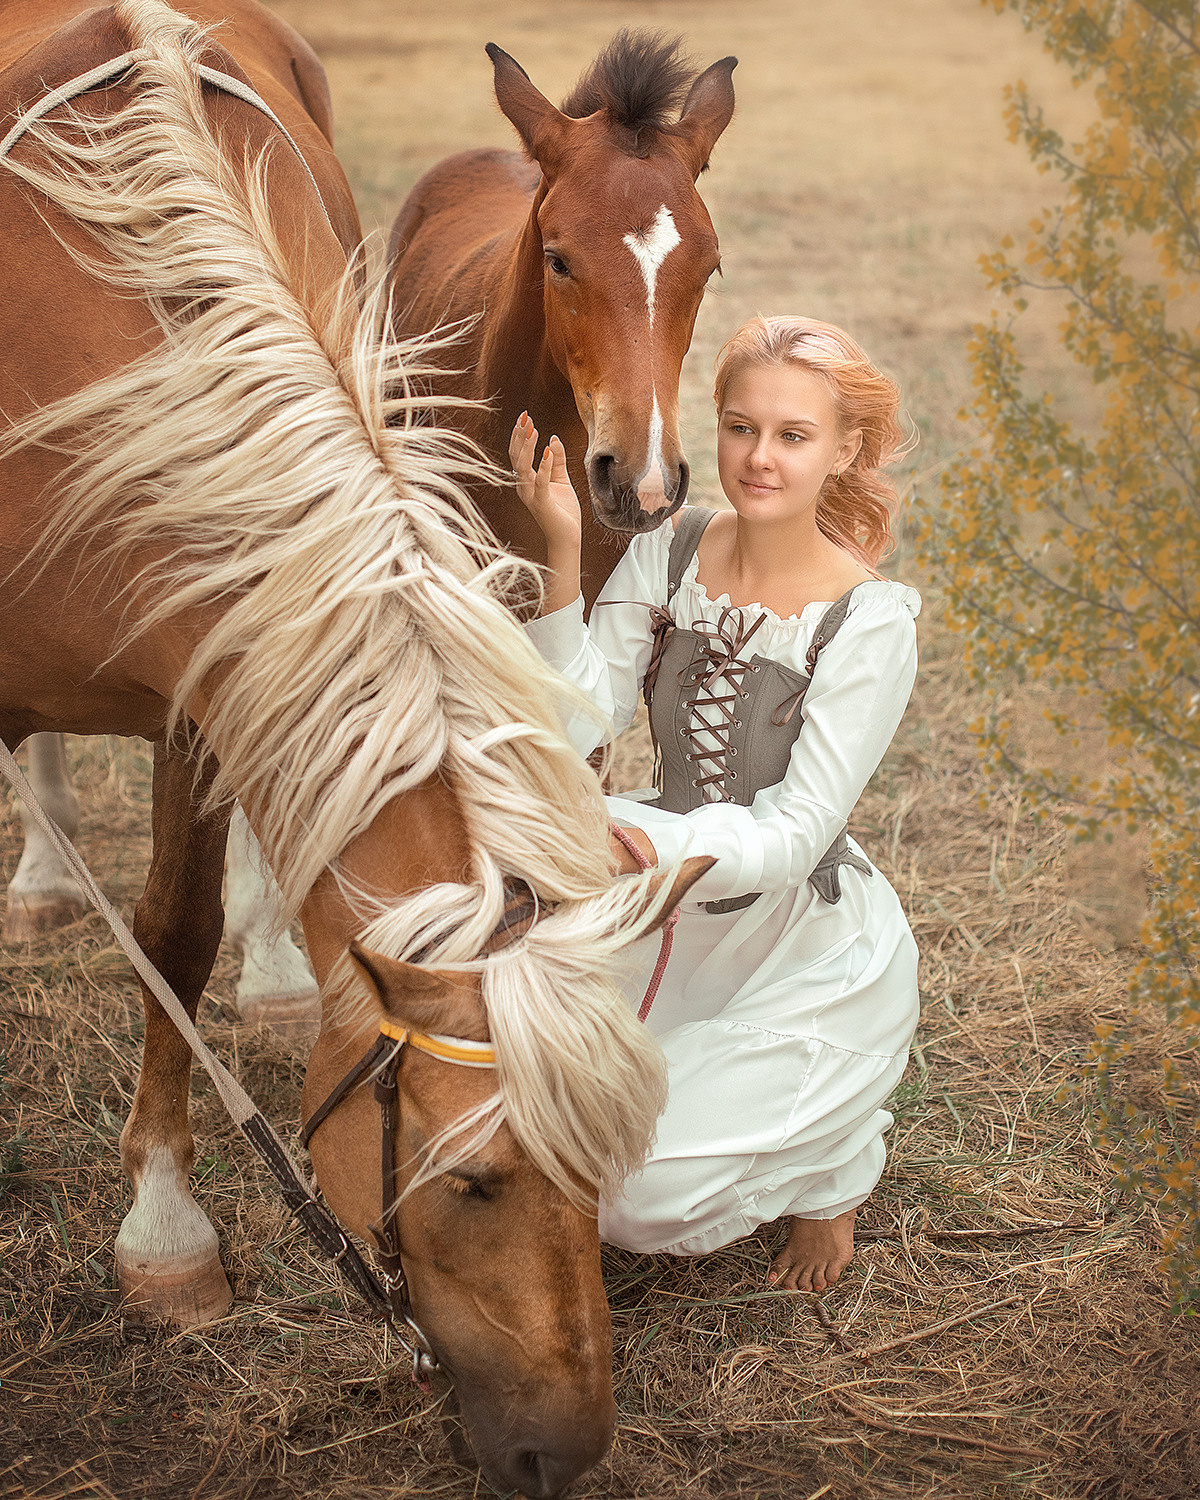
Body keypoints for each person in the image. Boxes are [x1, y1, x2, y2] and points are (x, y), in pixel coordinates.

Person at [509, 314, 920, 1293]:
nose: (758, 458)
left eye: (792, 435)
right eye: (740, 428)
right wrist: (564, 550)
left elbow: (794, 831)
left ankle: (836, 1164)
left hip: (787, 938)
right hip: (649, 904)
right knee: (519, 1119)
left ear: (846, 450)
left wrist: (643, 846)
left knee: (630, 1203)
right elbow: (575, 722)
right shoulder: (673, 547)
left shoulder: (870, 623)